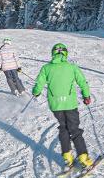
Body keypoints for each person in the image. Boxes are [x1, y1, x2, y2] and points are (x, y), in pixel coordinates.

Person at [31, 42, 94, 171]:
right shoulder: (72, 67)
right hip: (70, 104)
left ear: (53, 54)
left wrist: (36, 92)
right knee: (74, 130)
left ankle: (67, 158)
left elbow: (39, 83)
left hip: (56, 105)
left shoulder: (46, 68)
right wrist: (86, 96)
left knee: (64, 128)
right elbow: (82, 82)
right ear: (65, 53)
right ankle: (84, 159)